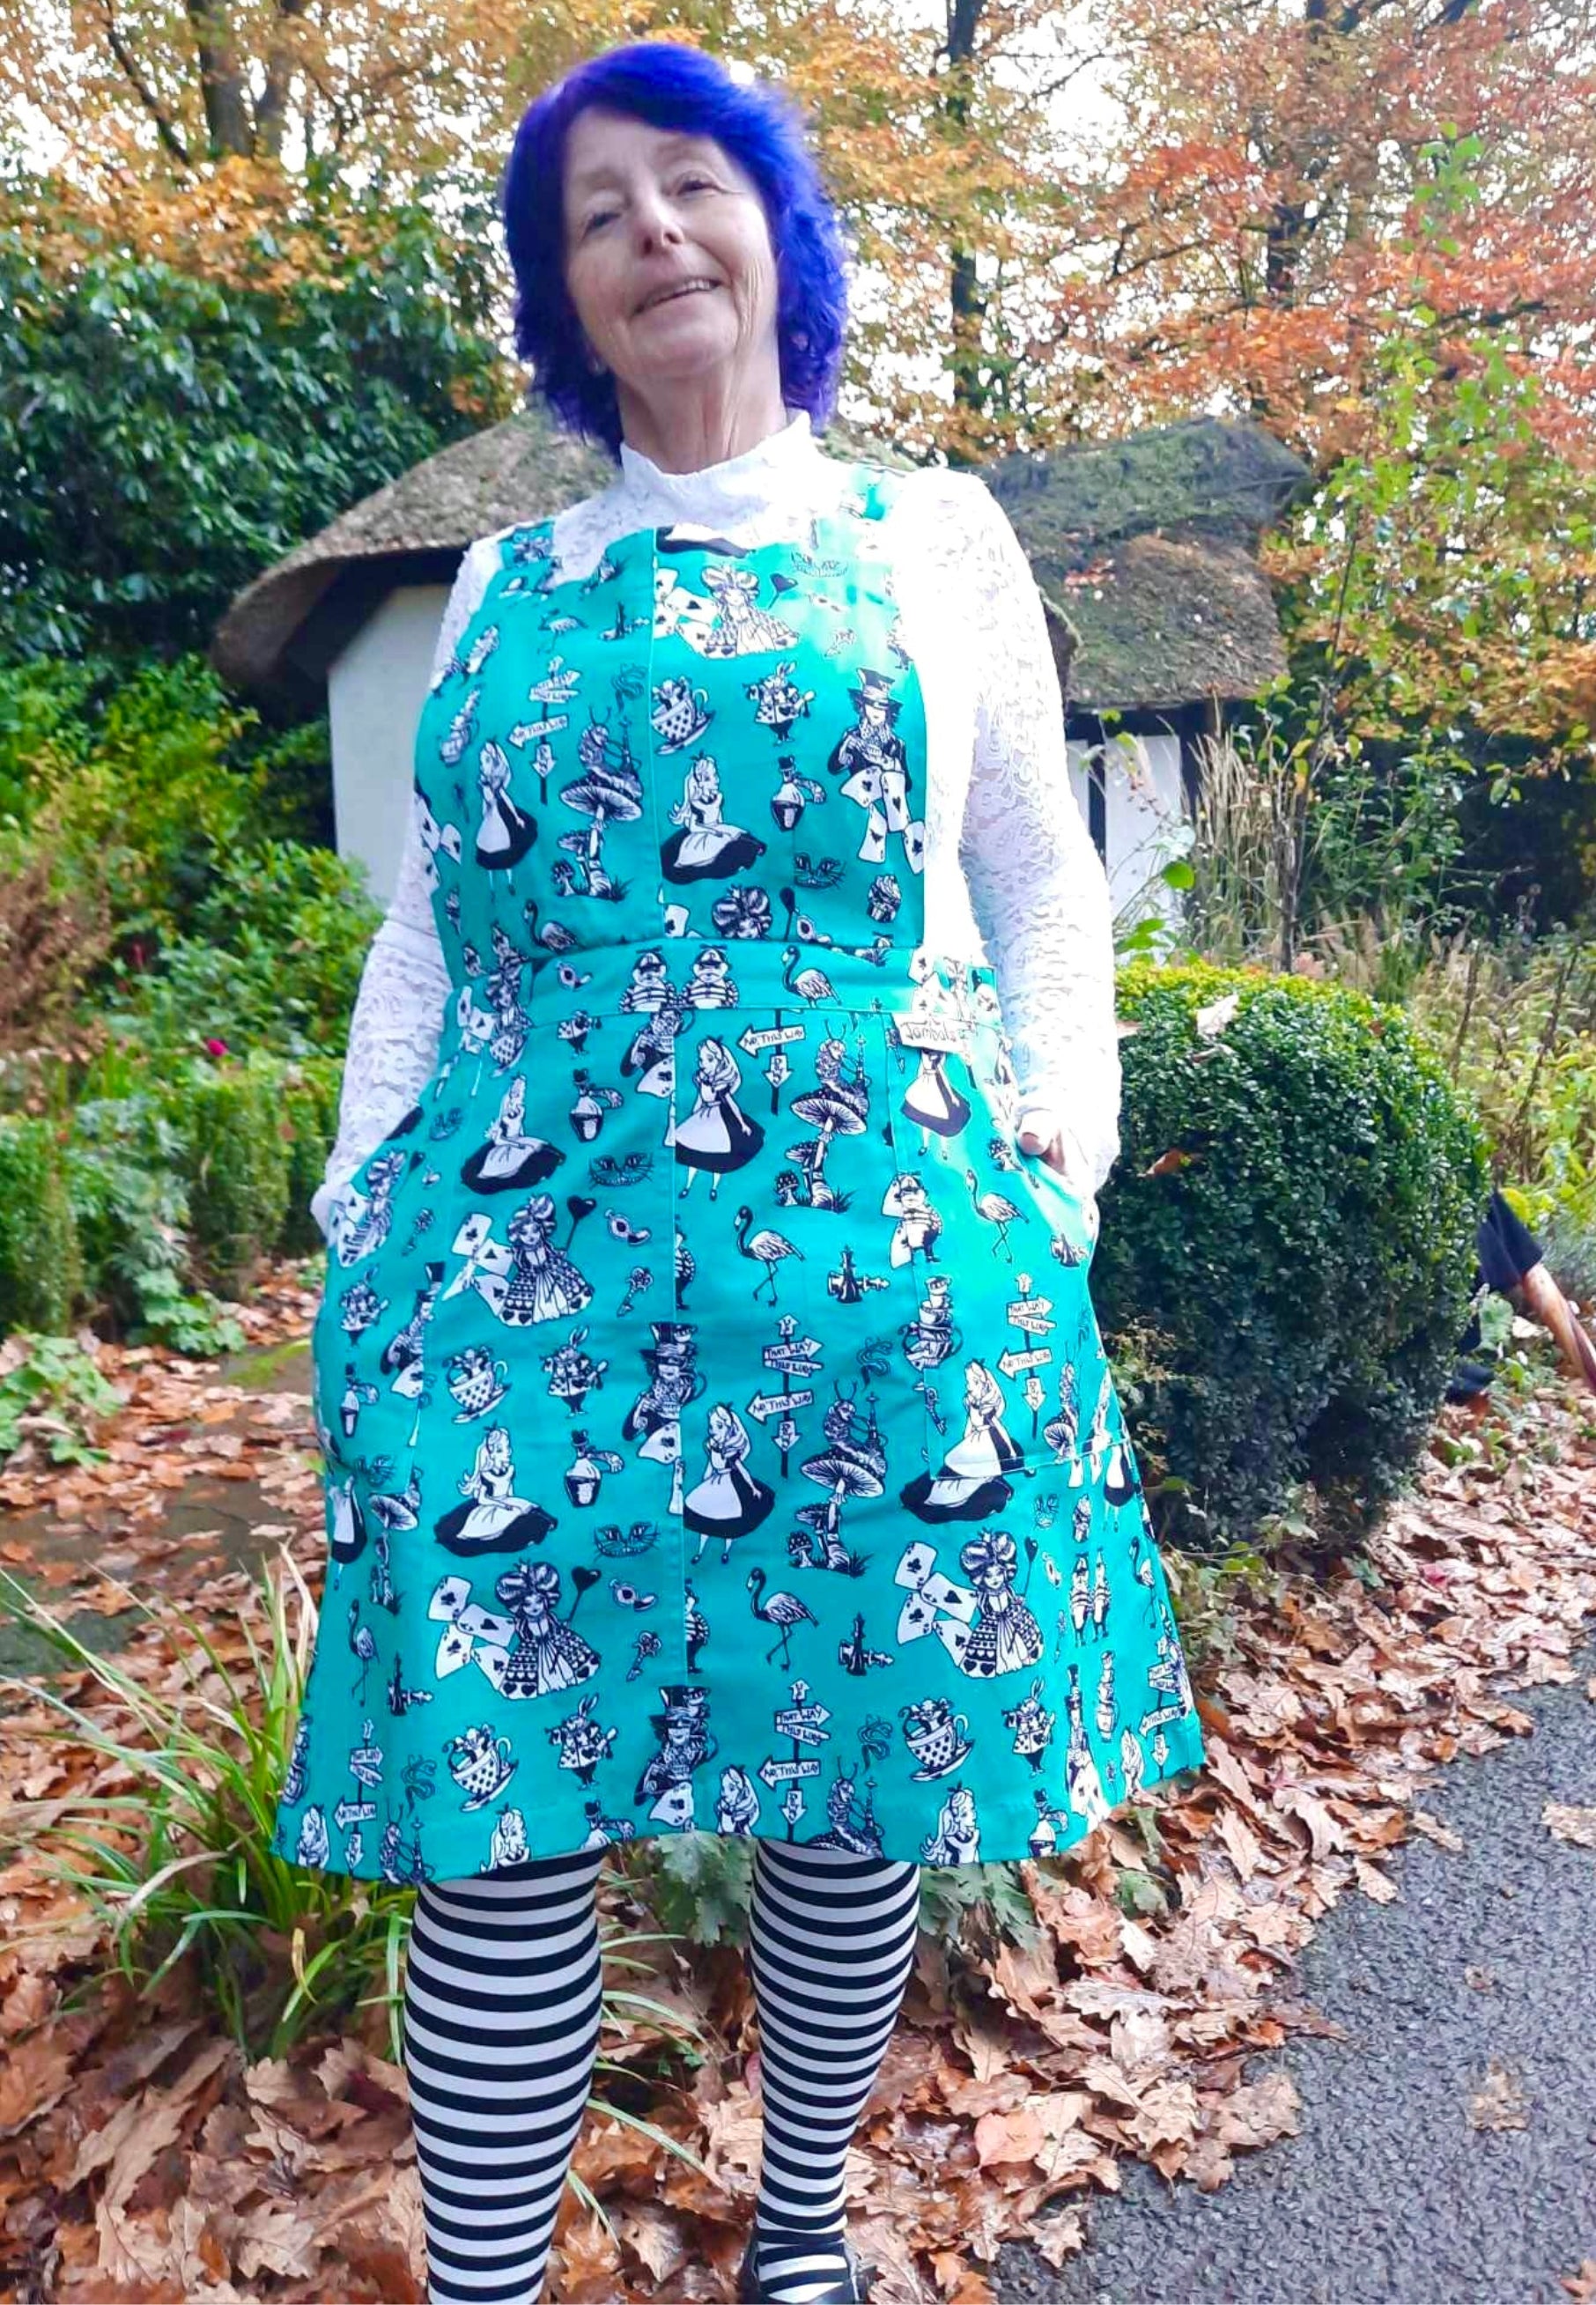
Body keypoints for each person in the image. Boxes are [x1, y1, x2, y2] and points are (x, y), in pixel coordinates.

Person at [272, 42, 1208, 2305]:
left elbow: (1040, 877)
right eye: (598, 216)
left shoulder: (935, 536)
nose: (653, 234)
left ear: (780, 239)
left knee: (846, 1767)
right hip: (517, 1263)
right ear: (567, 302)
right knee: (495, 1807)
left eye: (693, 185)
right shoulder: (504, 578)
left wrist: (1058, 1151)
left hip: (875, 1259)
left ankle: (802, 2229)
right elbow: (427, 918)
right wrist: (358, 1181)